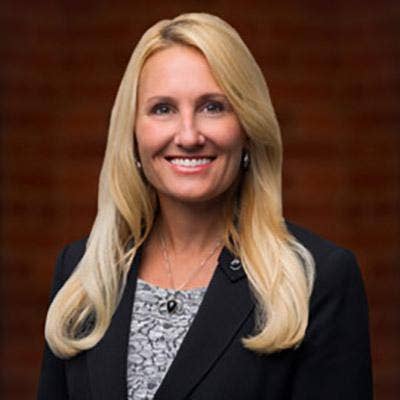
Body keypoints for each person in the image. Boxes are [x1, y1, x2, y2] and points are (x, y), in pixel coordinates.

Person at [37, 12, 372, 400]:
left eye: (213, 107)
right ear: (132, 133)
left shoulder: (318, 280)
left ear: (248, 128)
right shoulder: (82, 273)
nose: (189, 135)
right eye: (163, 108)